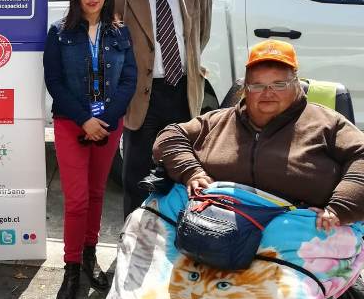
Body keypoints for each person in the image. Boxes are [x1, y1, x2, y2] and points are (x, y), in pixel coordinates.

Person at [153, 39, 364, 228]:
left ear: (296, 85)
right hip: (215, 225)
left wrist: (341, 208)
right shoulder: (219, 120)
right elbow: (170, 136)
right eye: (258, 85)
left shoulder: (327, 123)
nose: (268, 93)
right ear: (246, 88)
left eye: (279, 84)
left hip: (299, 230)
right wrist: (192, 171)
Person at [44, 0, 137, 299]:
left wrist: (107, 120)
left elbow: (129, 80)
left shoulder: (120, 34)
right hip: (72, 124)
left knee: (97, 194)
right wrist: (85, 119)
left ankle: (88, 257)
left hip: (108, 127)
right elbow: (54, 82)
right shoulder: (60, 33)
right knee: (78, 199)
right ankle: (70, 270)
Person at [113, 0, 212, 217]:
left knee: (182, 172)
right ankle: (132, 241)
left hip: (184, 89)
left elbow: (201, 35)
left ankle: (175, 239)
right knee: (136, 177)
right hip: (143, 96)